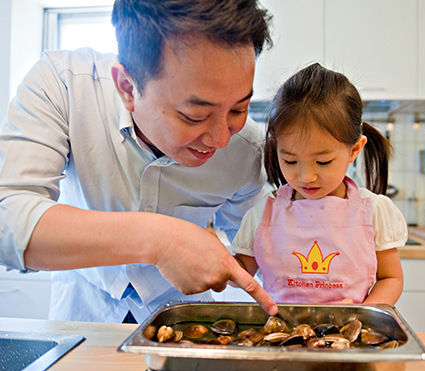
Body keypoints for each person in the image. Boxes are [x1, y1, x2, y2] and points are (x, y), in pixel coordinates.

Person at [0, 0, 279, 323]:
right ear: (127, 87)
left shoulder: (247, 147)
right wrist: (159, 240)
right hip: (82, 322)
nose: (220, 139)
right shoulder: (64, 84)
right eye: (195, 116)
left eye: (237, 110)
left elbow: (261, 244)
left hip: (186, 328)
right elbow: (7, 218)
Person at [233, 63, 406, 306]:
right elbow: (241, 271)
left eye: (323, 162)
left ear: (354, 149)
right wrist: (215, 259)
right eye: (290, 160)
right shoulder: (264, 213)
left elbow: (391, 277)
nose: (306, 177)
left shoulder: (372, 211)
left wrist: (363, 314)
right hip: (282, 338)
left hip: (347, 339)